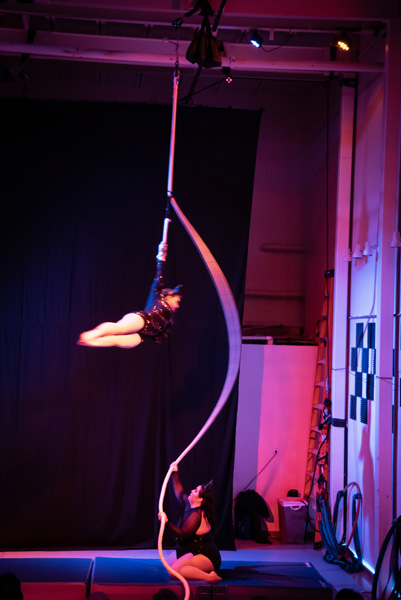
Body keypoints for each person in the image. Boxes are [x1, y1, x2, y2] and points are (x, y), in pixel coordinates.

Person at [77, 243, 182, 349]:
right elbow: (159, 275)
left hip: (142, 335)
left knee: (117, 341)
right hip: (142, 319)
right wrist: (161, 254)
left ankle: (90, 342)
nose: (177, 306)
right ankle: (94, 333)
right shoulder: (157, 296)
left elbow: (158, 337)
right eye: (177, 301)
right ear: (168, 296)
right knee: (120, 328)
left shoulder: (170, 320)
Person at [159, 463, 222, 582]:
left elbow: (182, 535)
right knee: (168, 564)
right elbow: (179, 493)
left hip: (204, 556)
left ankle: (210, 577)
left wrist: (166, 523)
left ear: (200, 499)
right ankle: (190, 566)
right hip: (190, 551)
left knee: (174, 572)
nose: (192, 490)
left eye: (196, 491)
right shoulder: (190, 505)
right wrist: (174, 473)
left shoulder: (197, 514)